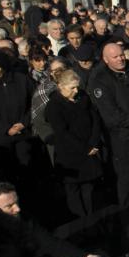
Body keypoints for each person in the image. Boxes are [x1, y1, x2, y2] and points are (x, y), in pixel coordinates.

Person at [0, 180, 103, 257]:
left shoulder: (24, 219)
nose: (18, 209)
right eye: (9, 206)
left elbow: (49, 243)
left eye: (17, 202)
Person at [88, 42, 129, 210]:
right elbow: (110, 113)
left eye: (121, 55)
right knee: (127, 176)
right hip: (122, 136)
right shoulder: (99, 79)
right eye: (115, 57)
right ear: (106, 59)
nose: (120, 59)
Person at [45, 70, 104, 217]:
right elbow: (62, 132)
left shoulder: (83, 97)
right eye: (72, 88)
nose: (76, 90)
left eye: (77, 87)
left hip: (90, 148)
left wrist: (94, 142)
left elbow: (95, 119)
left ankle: (92, 217)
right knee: (74, 191)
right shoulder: (54, 106)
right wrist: (85, 148)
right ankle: (80, 221)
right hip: (70, 154)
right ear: (61, 86)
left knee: (89, 189)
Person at [0, 50, 35, 183]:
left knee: (28, 171)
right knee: (6, 172)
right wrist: (5, 128)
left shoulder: (22, 80)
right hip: (0, 138)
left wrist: (23, 123)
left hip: (24, 134)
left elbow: (34, 104)